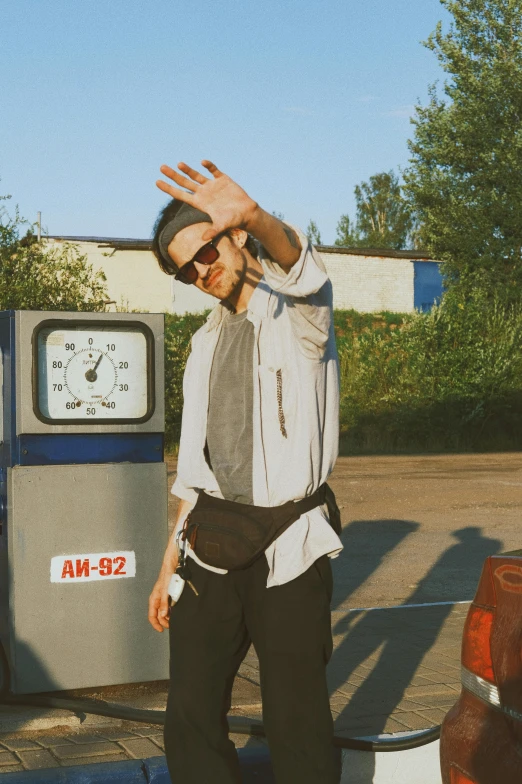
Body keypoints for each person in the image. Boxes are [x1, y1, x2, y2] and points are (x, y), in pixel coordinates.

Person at [148, 159, 343, 784]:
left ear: (233, 235)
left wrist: (256, 214)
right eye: (185, 269)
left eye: (204, 251)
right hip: (210, 546)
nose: (200, 273)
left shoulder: (301, 318)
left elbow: (302, 268)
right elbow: (195, 471)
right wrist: (166, 566)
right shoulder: (204, 341)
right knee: (190, 714)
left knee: (298, 720)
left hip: (289, 546)